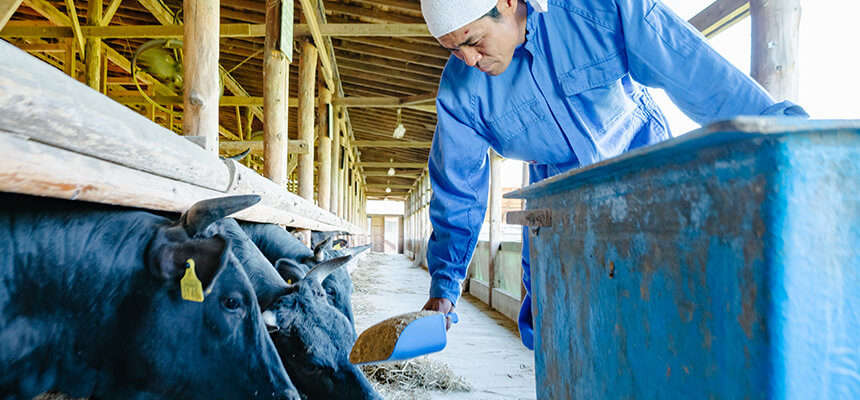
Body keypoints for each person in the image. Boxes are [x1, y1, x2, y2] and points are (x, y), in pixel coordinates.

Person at [418, 0, 807, 349]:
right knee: (562, 335)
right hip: (557, 212)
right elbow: (458, 189)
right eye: (453, 49)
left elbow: (693, 70)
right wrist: (445, 285)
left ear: (506, 2)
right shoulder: (460, 92)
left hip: (646, 183)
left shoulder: (597, 9)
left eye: (472, 40)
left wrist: (786, 137)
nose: (468, 60)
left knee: (666, 320)